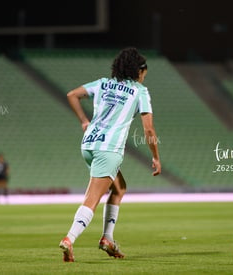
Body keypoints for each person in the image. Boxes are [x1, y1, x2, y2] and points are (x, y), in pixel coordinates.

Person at [59, 47, 161, 262]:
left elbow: (72, 95)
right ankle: (69, 239)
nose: (144, 77)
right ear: (139, 71)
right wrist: (156, 157)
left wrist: (84, 121)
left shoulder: (103, 83)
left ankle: (107, 239)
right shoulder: (139, 91)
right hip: (109, 149)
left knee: (119, 188)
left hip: (88, 145)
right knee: (92, 199)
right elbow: (149, 130)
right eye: (144, 73)